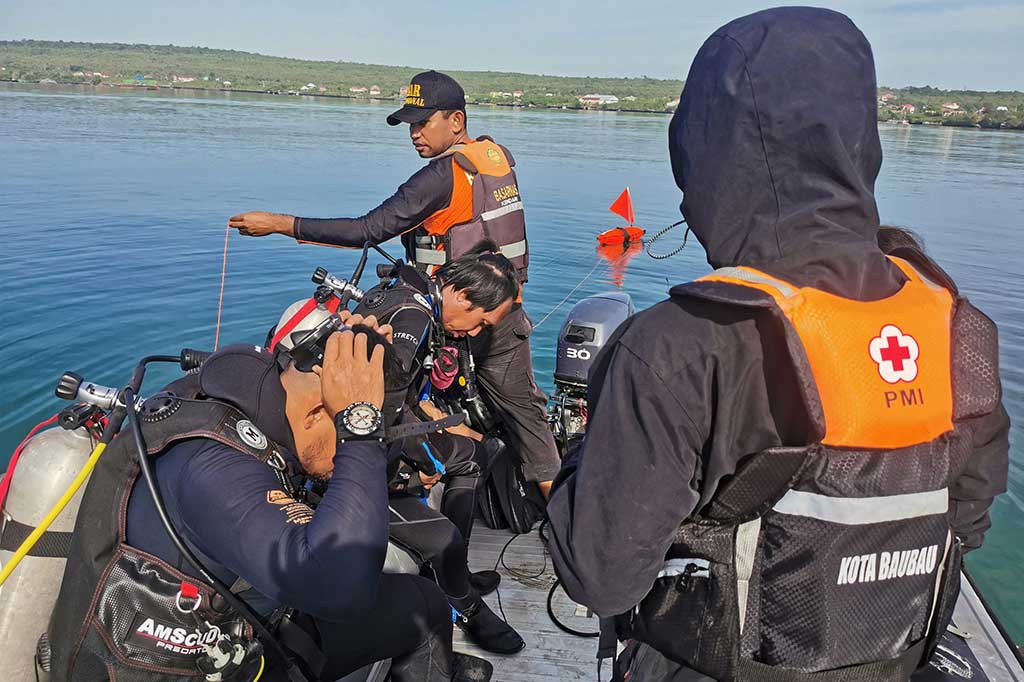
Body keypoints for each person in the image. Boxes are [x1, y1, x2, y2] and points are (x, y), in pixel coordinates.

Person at [547, 7, 1009, 682]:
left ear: (703, 152)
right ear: (861, 140)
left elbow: (602, 580)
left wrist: (585, 455)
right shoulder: (955, 325)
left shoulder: (675, 346)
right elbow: (965, 523)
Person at [48, 312, 493, 682]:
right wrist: (360, 429)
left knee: (424, 602)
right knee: (421, 609)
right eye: (358, 431)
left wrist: (359, 358)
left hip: (235, 616)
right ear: (323, 410)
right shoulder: (215, 470)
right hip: (172, 662)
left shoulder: (253, 397)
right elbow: (344, 589)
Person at [227, 69, 562, 497]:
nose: (414, 134)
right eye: (409, 124)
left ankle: (555, 515)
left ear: (456, 121)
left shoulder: (441, 177)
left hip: (464, 310)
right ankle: (528, 495)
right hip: (494, 308)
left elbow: (368, 229)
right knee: (520, 410)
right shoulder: (491, 157)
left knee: (438, 401)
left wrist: (279, 224)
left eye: (424, 123)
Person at [274, 246, 527, 654]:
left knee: (473, 459)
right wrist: (426, 462)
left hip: (357, 435)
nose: (477, 333)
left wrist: (442, 431)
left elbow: (400, 397)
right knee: (444, 532)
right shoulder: (415, 319)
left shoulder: (405, 292)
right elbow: (381, 413)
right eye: (481, 321)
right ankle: (461, 603)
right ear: (461, 296)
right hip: (339, 462)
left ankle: (455, 572)